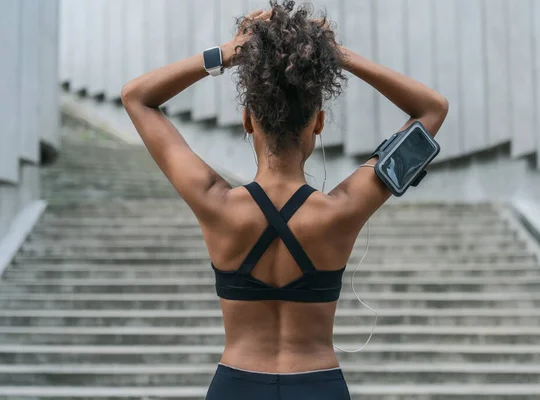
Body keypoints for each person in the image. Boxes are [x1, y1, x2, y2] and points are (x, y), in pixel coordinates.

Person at [121, 1, 448, 398]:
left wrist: (226, 53)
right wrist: (340, 57)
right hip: (318, 386)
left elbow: (136, 96)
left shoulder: (214, 203)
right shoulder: (342, 211)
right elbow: (432, 109)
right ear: (319, 122)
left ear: (246, 120)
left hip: (235, 386)